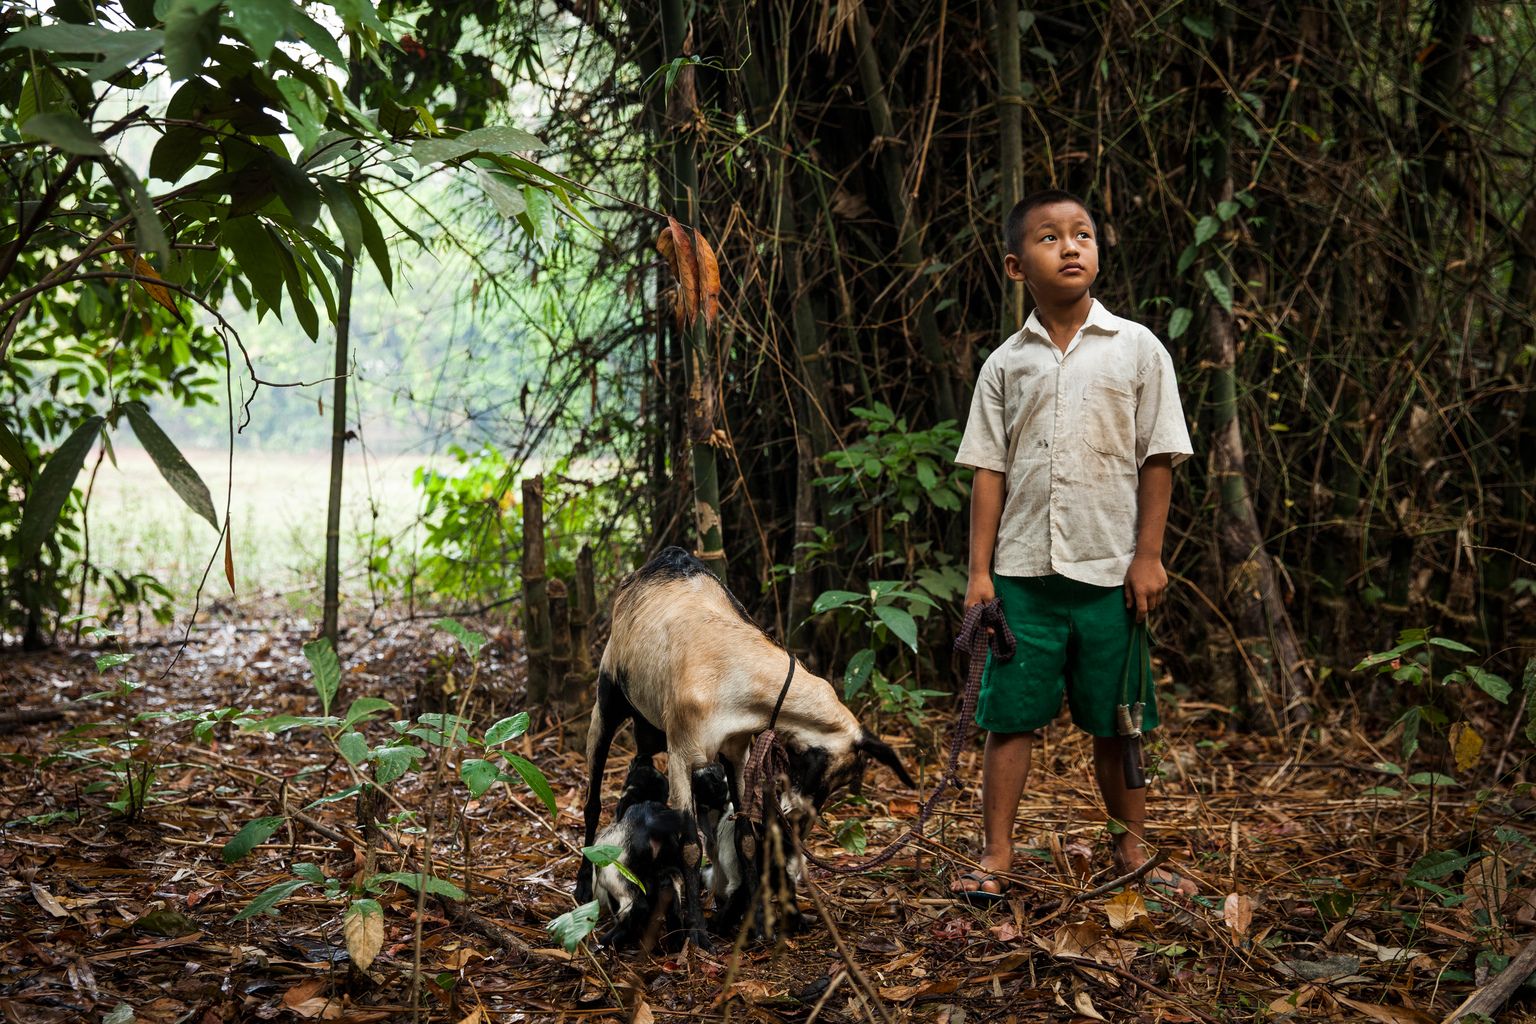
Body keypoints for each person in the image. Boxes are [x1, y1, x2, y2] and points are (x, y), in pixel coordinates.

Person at [948, 188, 1197, 902]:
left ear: (1098, 250)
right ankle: (996, 855)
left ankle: (1132, 850)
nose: (1070, 246)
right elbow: (989, 471)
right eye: (1050, 237)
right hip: (1023, 577)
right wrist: (979, 574)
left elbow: (1158, 458)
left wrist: (1148, 557)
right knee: (1009, 717)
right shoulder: (1005, 364)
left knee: (1118, 723)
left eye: (1082, 233)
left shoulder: (1138, 349)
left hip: (1111, 575)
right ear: (1015, 266)